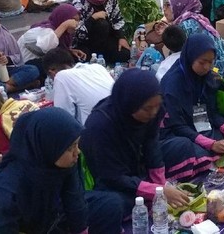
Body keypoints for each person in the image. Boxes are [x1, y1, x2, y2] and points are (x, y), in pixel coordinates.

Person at [0, 108, 123, 233]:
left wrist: (81, 230)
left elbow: (74, 200)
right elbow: (5, 228)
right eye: (70, 148)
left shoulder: (62, 161)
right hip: (27, 228)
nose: (77, 152)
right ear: (48, 146)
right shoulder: (9, 188)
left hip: (54, 215)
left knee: (111, 204)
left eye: (76, 145)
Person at [81, 69, 192, 214]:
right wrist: (156, 191)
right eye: (147, 108)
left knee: (182, 145)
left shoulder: (154, 110)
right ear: (130, 104)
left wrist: (160, 188)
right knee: (115, 204)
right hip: (113, 179)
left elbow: (152, 146)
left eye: (157, 106)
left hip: (139, 166)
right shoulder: (100, 125)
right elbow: (110, 176)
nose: (153, 113)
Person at [161, 33, 224, 162]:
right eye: (202, 62)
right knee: (190, 150)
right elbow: (177, 126)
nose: (207, 67)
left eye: (211, 62)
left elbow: (212, 113)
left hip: (201, 124)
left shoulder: (207, 78)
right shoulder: (172, 85)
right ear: (190, 57)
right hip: (180, 131)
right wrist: (211, 144)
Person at [43, 47, 113, 125]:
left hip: (97, 130)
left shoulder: (61, 76)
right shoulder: (97, 67)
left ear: (52, 72)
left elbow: (63, 118)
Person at [73, 0, 131, 64]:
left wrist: (121, 37)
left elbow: (117, 19)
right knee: (101, 24)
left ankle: (104, 57)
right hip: (86, 42)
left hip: (107, 39)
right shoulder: (79, 3)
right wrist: (92, 18)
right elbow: (77, 33)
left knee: (125, 54)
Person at [18, 3, 82, 68]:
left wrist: (70, 51)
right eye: (73, 20)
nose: (75, 24)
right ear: (63, 19)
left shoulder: (62, 33)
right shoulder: (46, 30)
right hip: (26, 63)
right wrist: (64, 25)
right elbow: (45, 47)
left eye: (78, 20)